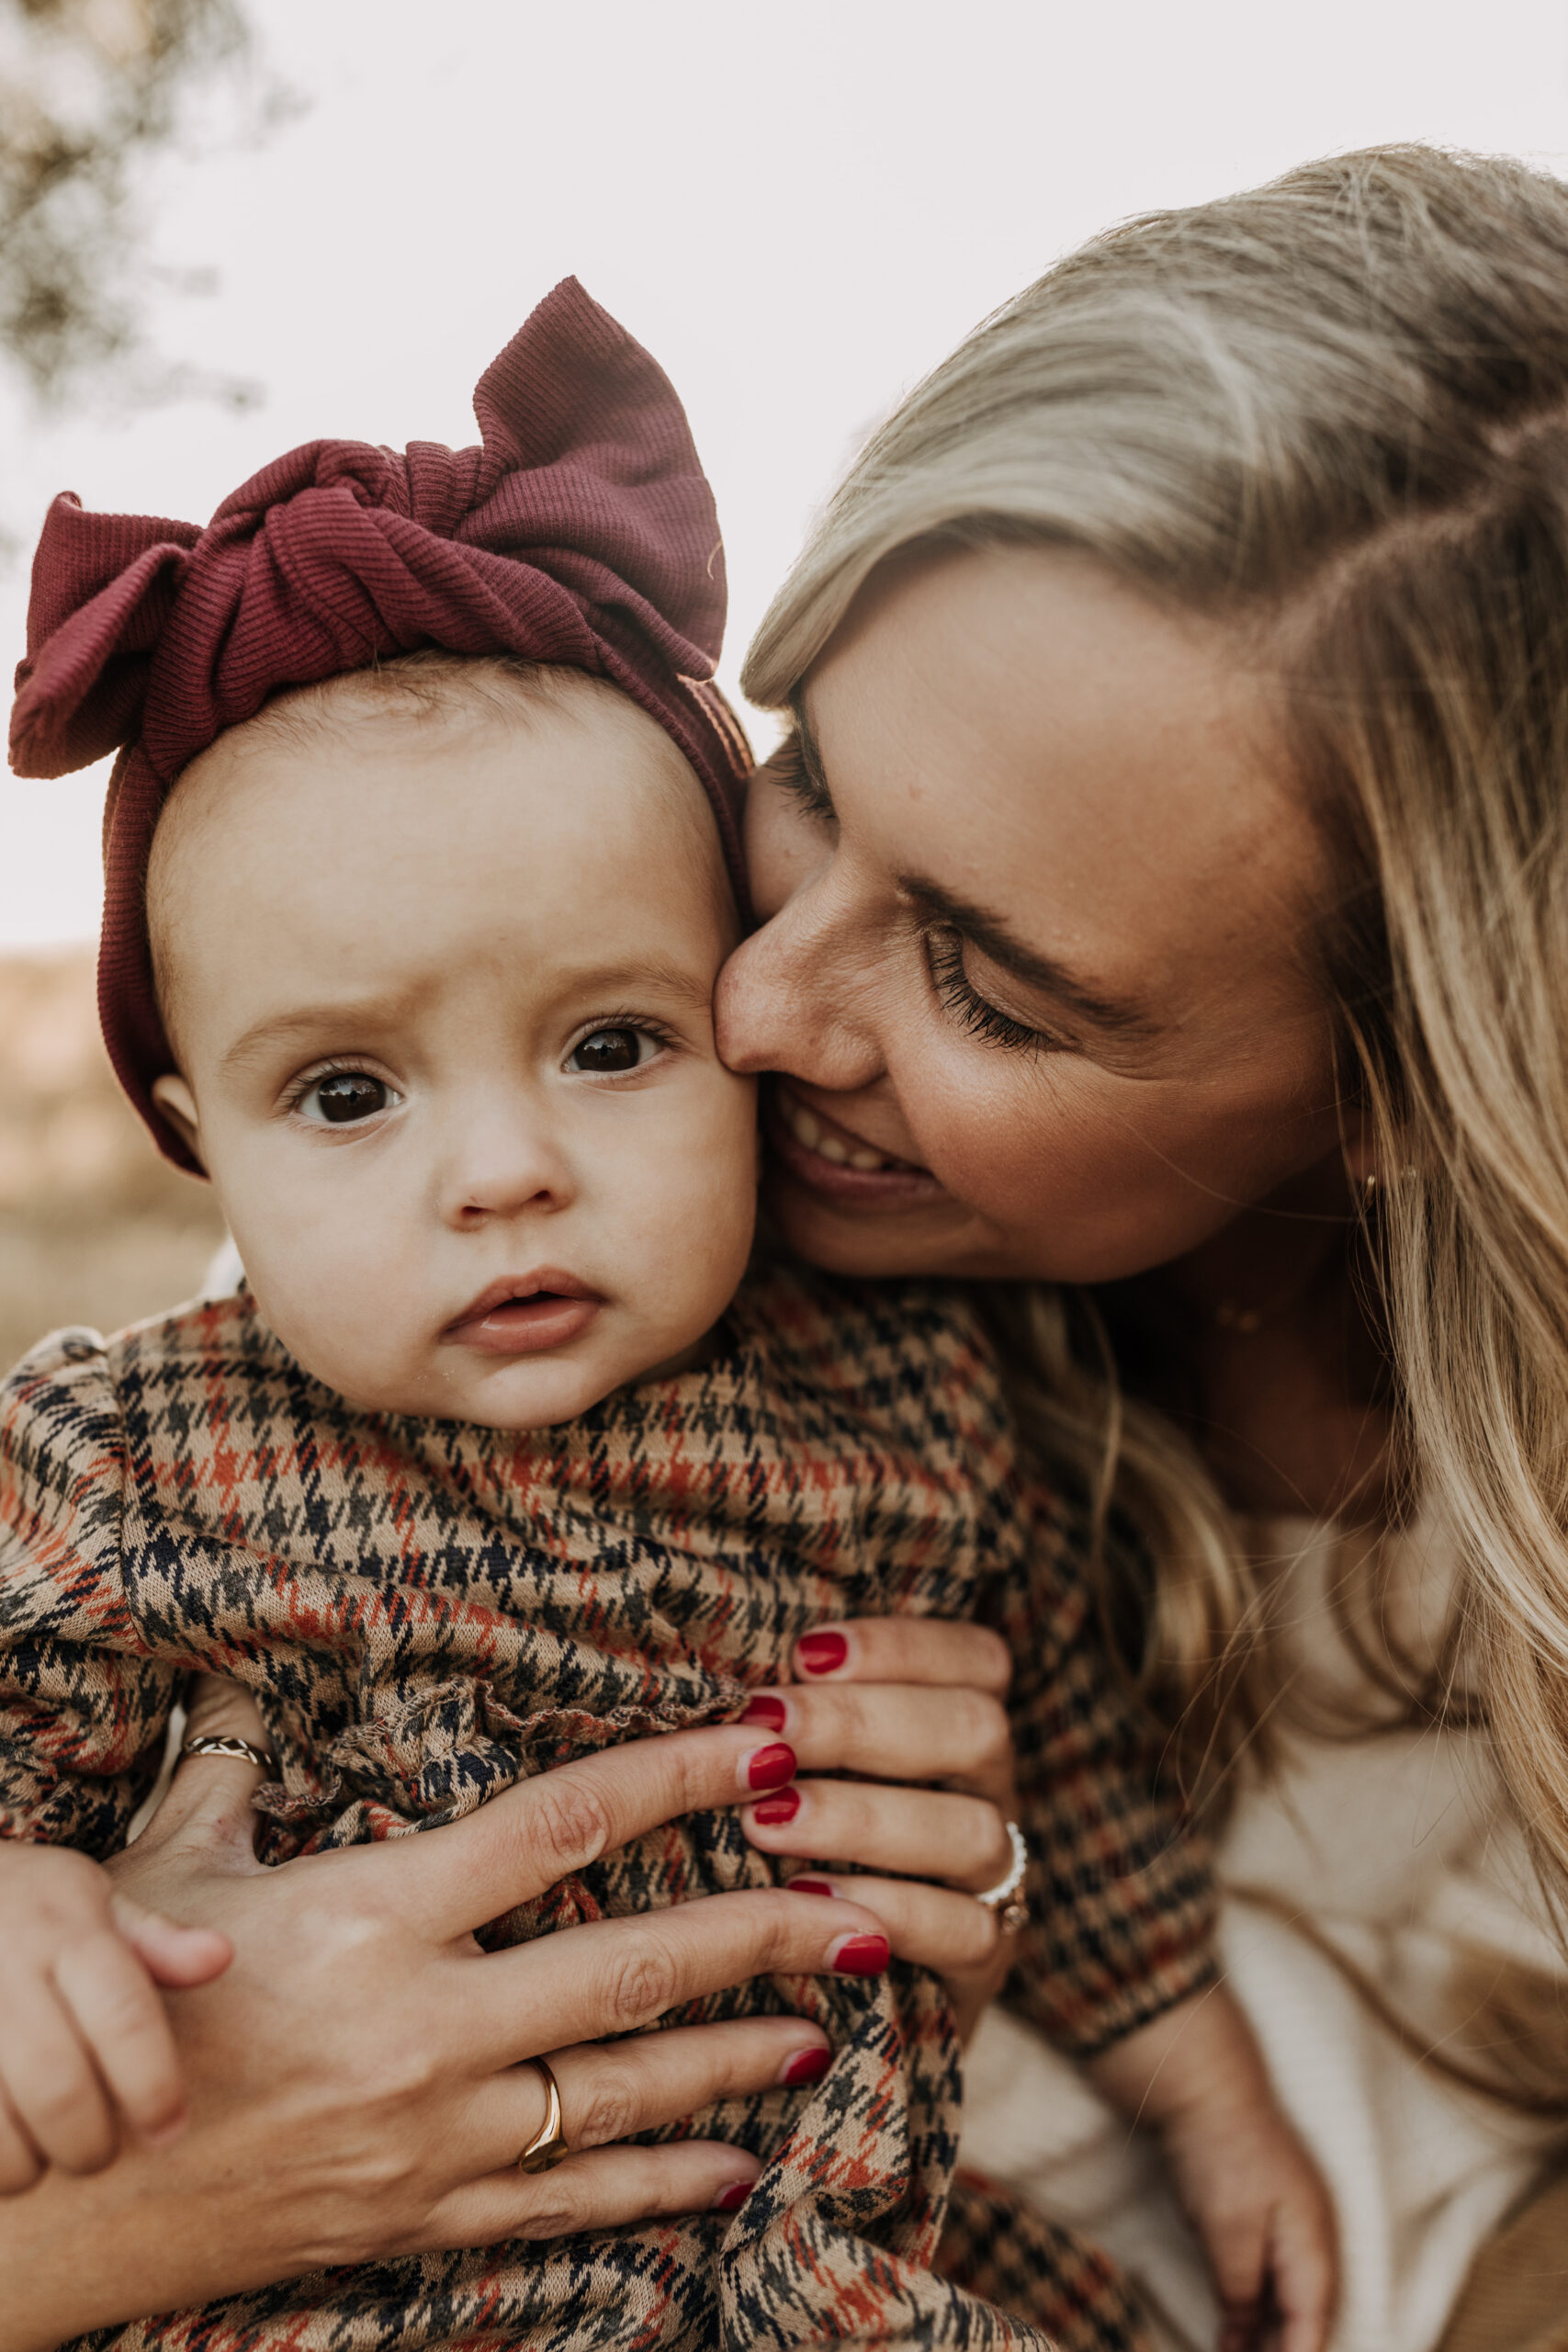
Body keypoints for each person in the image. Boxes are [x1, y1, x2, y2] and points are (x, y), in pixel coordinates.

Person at [0, 281, 1322, 2351]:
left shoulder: (911, 1393)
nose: (502, 1167)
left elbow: (1058, 1767)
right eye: (348, 1093)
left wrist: (1206, 2094)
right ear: (196, 1140)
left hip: (807, 2256)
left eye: (611, 1042)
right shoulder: (126, 1460)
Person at [716, 141, 1568, 2352]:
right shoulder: (580, 1269)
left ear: (1401, 1086)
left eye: (986, 983)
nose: (756, 1009)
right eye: (804, 768)